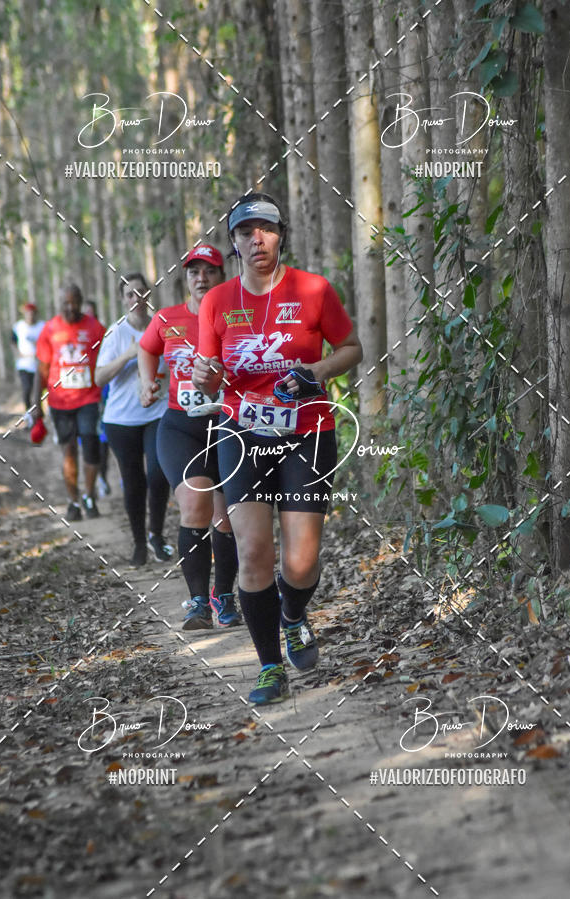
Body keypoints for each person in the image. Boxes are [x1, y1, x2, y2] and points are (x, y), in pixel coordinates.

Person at [193, 193, 363, 705]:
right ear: (235, 244)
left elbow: (352, 348)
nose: (257, 239)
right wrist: (205, 378)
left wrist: (315, 372)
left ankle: (293, 614)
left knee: (302, 562)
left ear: (280, 234)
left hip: (306, 431)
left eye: (265, 229)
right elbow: (208, 378)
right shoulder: (216, 302)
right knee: (252, 552)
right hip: (239, 433)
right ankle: (269, 665)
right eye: (246, 232)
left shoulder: (313, 290)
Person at [138, 245, 240, 629]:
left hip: (229, 425)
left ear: (222, 274)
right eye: (194, 272)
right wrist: (147, 382)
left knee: (227, 518)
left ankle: (224, 595)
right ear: (186, 278)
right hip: (180, 425)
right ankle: (198, 602)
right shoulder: (168, 318)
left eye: (209, 271)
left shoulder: (236, 316)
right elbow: (147, 349)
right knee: (196, 505)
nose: (201, 278)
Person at [95, 274, 172, 567]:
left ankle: (156, 535)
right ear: (123, 299)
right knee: (133, 481)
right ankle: (139, 542)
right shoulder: (116, 333)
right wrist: (129, 354)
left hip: (157, 412)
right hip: (121, 420)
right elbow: (99, 377)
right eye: (130, 294)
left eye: (141, 291)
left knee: (158, 472)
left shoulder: (164, 326)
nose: (136, 298)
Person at [33, 284, 106, 521]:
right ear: (59, 303)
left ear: (81, 301)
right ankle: (73, 501)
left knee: (91, 447)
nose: (70, 307)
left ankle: (90, 496)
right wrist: (36, 405)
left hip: (89, 398)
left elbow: (107, 360)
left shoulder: (95, 328)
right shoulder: (50, 329)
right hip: (60, 402)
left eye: (75, 302)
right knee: (69, 451)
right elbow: (42, 370)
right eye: (66, 302)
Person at [83, 300, 111, 497]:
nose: (89, 317)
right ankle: (90, 484)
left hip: (102, 393)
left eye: (91, 313)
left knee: (103, 440)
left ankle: (102, 477)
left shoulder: (104, 334)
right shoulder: (77, 337)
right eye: (86, 314)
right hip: (83, 398)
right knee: (87, 439)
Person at [11, 302, 45, 422]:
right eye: (28, 313)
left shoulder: (42, 326)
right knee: (26, 389)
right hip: (24, 365)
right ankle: (28, 414)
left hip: (39, 365)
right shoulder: (18, 327)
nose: (30, 316)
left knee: (38, 392)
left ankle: (39, 416)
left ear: (36, 314)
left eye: (32, 313)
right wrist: (18, 353)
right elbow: (13, 341)